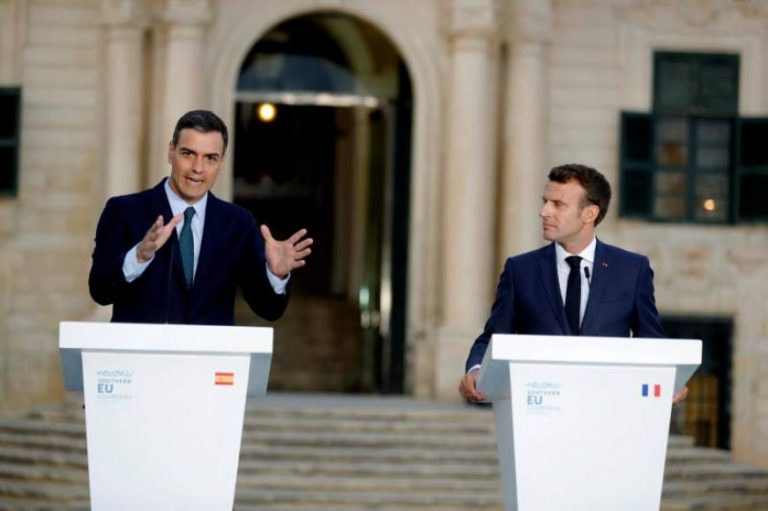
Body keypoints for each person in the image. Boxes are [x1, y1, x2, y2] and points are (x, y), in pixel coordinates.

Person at [459, 163, 687, 403]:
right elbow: (493, 337)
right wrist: (475, 370)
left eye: (558, 204)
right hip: (538, 411)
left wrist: (672, 378)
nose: (544, 211)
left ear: (589, 214)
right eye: (545, 201)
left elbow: (650, 341)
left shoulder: (632, 270)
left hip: (607, 409)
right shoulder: (520, 270)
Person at [89, 110, 312, 325]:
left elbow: (268, 308)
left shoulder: (238, 224)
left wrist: (276, 274)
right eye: (188, 154)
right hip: (139, 359)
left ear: (221, 163)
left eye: (210, 158)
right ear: (171, 152)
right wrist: (138, 256)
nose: (198, 168)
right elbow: (100, 291)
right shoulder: (124, 211)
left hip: (209, 360)